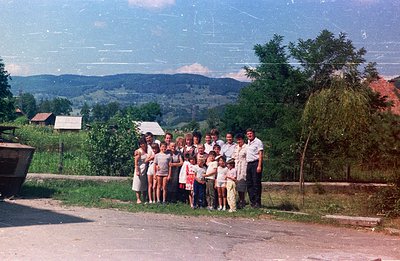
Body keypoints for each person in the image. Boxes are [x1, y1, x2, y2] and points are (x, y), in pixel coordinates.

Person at [245, 128, 264, 208]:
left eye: (251, 133)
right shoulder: (249, 142)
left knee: (256, 183)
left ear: (254, 134)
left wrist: (259, 165)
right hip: (249, 164)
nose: (249, 135)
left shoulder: (258, 142)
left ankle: (257, 202)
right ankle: (252, 202)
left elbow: (260, 154)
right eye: (248, 134)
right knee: (249, 183)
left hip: (256, 163)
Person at [232, 133, 247, 209]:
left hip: (243, 167)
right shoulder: (236, 147)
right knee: (237, 184)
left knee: (242, 184)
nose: (238, 141)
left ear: (243, 139)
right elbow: (233, 157)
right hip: (236, 167)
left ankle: (242, 200)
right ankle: (238, 200)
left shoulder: (246, 147)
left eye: (240, 139)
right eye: (237, 140)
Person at [132, 137, 148, 204]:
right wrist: (137, 170)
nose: (143, 144)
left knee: (144, 184)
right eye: (141, 143)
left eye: (144, 143)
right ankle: (138, 199)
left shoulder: (147, 150)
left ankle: (144, 198)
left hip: (145, 168)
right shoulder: (139, 151)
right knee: (138, 183)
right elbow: (136, 161)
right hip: (139, 168)